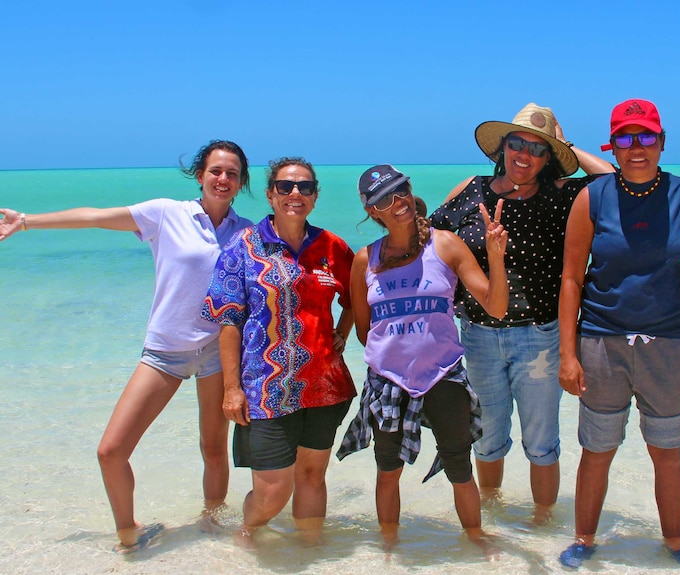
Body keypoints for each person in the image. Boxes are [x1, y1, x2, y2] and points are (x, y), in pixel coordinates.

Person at [0, 140, 253, 553]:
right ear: (200, 174)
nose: (223, 179)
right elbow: (96, 218)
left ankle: (211, 524)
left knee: (213, 446)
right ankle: (128, 531)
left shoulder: (245, 233)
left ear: (241, 183)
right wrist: (27, 221)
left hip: (215, 352)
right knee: (111, 450)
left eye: (232, 174)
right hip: (165, 351)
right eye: (216, 171)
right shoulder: (166, 213)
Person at [557, 99, 680, 574]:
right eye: (626, 138)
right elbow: (571, 279)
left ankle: (674, 544)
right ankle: (584, 542)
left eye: (646, 137)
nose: (637, 148)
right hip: (602, 342)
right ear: (614, 145)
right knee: (597, 450)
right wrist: (569, 354)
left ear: (662, 142)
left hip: (671, 347)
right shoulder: (593, 198)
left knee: (667, 453)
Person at [429, 103, 614, 523]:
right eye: (517, 144)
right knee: (487, 438)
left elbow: (612, 180)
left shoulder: (563, 196)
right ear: (503, 147)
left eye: (537, 148)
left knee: (541, 441)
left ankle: (544, 523)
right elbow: (430, 238)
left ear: (548, 159)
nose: (524, 155)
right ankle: (492, 517)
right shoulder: (472, 190)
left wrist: (565, 144)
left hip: (539, 336)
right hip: (476, 333)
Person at [336, 164, 508, 551]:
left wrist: (496, 257)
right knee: (387, 471)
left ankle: (477, 544)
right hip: (388, 381)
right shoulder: (366, 260)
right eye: (384, 199)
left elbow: (496, 307)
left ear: (411, 191)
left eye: (401, 191)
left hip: (443, 374)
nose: (397, 203)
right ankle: (390, 550)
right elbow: (365, 331)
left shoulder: (445, 245)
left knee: (460, 466)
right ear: (372, 211)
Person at [202, 157, 356, 544]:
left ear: (315, 197)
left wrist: (343, 331)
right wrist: (231, 388)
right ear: (271, 194)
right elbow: (228, 321)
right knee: (272, 493)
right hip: (265, 391)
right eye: (285, 187)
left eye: (304, 187)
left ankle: (308, 554)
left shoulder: (332, 247)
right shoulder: (244, 247)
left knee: (311, 477)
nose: (295, 194)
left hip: (325, 387)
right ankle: (245, 534)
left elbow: (356, 297)